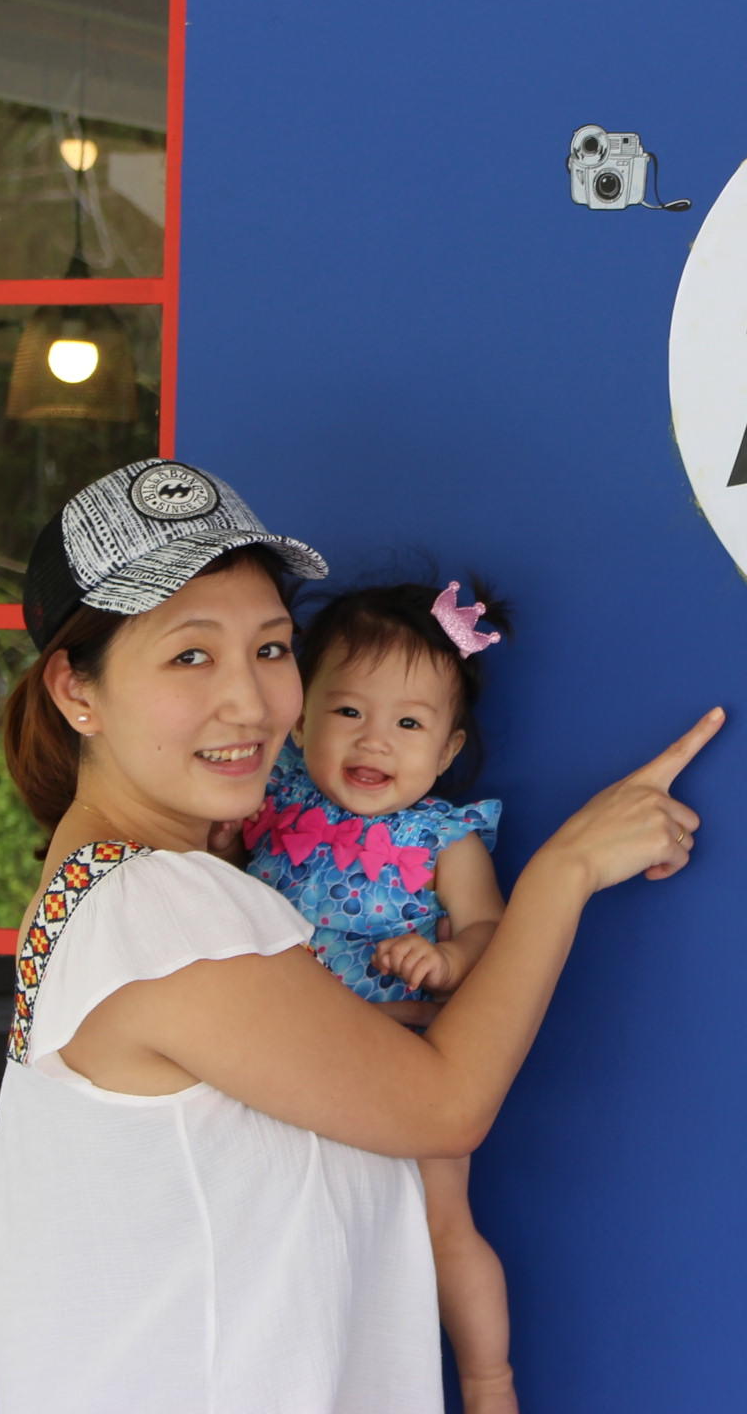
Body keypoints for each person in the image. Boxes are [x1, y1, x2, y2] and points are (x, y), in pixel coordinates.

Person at [0, 458, 719, 1414]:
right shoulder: (157, 907)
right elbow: (444, 1107)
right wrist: (567, 867)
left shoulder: (114, 885)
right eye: (190, 656)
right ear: (77, 691)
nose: (252, 702)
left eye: (272, 648)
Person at [241, 579, 522, 1413]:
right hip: (287, 1060)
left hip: (403, 1061)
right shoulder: (270, 801)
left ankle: (489, 1380)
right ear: (299, 720)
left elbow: (492, 934)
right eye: (348, 711)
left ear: (447, 748)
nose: (374, 739)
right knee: (290, 1230)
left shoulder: (445, 839)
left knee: (444, 1226)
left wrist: (445, 957)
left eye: (409, 724)